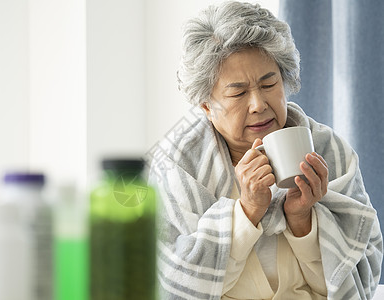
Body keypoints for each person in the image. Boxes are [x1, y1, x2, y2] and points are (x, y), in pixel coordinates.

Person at [148, 2, 383, 299]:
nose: (258, 104)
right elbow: (172, 284)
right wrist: (247, 211)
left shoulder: (328, 151)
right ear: (207, 106)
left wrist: (302, 221)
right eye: (238, 92)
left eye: (269, 83)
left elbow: (360, 284)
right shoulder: (177, 166)